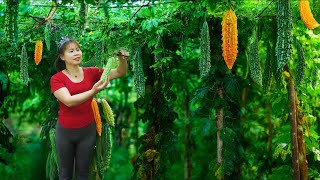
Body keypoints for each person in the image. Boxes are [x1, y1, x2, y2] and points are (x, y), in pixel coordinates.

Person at [50, 37, 128, 180]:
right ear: (62, 57)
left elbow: (119, 72)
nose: (77, 53)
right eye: (71, 51)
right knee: (65, 173)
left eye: (78, 50)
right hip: (65, 133)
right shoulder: (57, 79)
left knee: (83, 173)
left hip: (87, 131)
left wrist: (122, 59)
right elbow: (69, 101)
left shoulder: (92, 72)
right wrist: (93, 91)